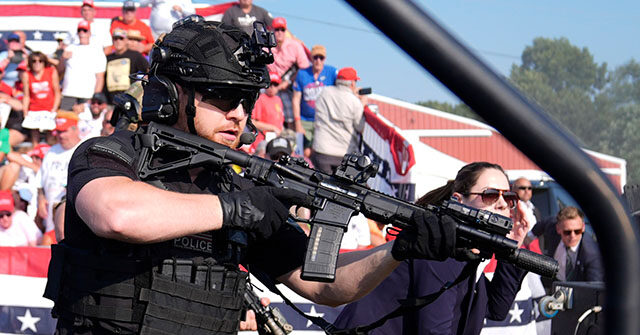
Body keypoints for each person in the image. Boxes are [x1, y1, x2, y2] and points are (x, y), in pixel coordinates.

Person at [44, 17, 457, 334]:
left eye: (247, 100)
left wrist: (399, 251)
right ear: (173, 94)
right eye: (223, 96)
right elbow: (116, 214)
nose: (238, 114)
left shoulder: (240, 187)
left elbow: (324, 288)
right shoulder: (112, 152)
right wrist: (236, 209)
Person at [334, 162, 530, 335]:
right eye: (491, 195)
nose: (502, 204)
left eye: (509, 196)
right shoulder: (439, 246)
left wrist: (512, 247)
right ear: (459, 201)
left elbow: (496, 309)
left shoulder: (467, 248)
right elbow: (433, 330)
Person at [310, 67, 365, 174]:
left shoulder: (324, 92)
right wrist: (362, 103)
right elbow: (361, 127)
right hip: (344, 154)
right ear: (352, 84)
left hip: (322, 150)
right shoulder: (355, 102)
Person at [36, 112, 82, 236]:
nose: (60, 136)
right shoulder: (52, 151)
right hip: (50, 206)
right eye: (58, 132)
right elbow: (40, 180)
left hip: (70, 206)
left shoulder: (82, 149)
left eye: (64, 131)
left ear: (75, 130)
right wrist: (40, 198)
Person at [531, 206, 604, 283]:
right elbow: (540, 226)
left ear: (583, 227)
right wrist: (528, 238)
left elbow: (594, 287)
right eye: (567, 232)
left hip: (578, 287)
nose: (573, 236)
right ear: (558, 229)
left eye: (577, 231)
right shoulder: (551, 227)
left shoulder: (592, 254)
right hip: (552, 279)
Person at [292, 44, 337, 157]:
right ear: (311, 59)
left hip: (323, 120)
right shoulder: (302, 74)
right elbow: (296, 99)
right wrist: (297, 122)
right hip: (304, 120)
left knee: (319, 151)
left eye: (321, 58)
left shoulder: (331, 72)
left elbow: (343, 85)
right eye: (315, 57)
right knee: (303, 152)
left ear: (324, 59)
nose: (318, 61)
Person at [266, 17, 310, 130]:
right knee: (262, 107)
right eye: (277, 29)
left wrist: (289, 81)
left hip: (289, 86)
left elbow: (304, 68)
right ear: (271, 30)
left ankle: (292, 139)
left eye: (282, 29)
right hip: (270, 85)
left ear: (286, 31)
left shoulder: (295, 46)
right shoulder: (266, 47)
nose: (279, 33)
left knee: (291, 117)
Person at [60, 20, 107, 111]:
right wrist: (63, 58)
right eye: (79, 31)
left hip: (87, 95)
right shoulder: (70, 48)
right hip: (68, 93)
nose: (82, 33)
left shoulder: (97, 51)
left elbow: (100, 77)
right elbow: (59, 70)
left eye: (85, 31)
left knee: (85, 122)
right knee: (65, 121)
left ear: (89, 33)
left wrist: (95, 98)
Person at [20, 51, 61, 146]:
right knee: (34, 136)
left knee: (50, 135)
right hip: (34, 108)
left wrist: (54, 108)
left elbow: (57, 92)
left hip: (49, 108)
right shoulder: (27, 75)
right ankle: (36, 152)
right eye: (34, 61)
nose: (37, 63)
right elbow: (26, 95)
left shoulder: (51, 71)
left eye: (40, 61)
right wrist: (25, 110)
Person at [104, 28, 149, 104]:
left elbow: (149, 71)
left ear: (126, 40)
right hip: (110, 101)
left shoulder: (135, 55)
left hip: (130, 100)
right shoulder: (108, 58)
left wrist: (139, 88)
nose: (118, 41)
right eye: (115, 39)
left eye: (121, 38)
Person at [249, 71, 283, 153]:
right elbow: (253, 122)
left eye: (275, 85)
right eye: (270, 84)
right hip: (262, 141)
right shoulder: (261, 99)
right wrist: (272, 128)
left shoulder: (278, 100)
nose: (272, 87)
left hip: (275, 140)